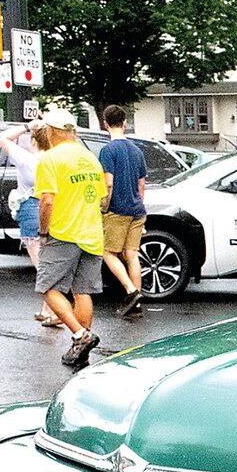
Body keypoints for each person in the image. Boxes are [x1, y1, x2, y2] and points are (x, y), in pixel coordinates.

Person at [35, 109, 107, 367]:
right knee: (82, 290)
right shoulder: (90, 158)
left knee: (48, 288)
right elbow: (102, 198)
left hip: (64, 232)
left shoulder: (50, 159)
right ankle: (80, 347)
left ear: (52, 131)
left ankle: (80, 335)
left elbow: (47, 200)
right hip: (92, 233)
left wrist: (43, 231)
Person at [0, 119, 58, 325]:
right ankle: (47, 307)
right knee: (48, 261)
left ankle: (55, 309)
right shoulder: (55, 159)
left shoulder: (26, 158)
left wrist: (27, 126)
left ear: (34, 141)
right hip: (53, 208)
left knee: (40, 265)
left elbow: (2, 138)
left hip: (31, 206)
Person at [97, 104, 148, 317]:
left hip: (117, 209)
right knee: (132, 254)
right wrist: (139, 203)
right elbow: (141, 184)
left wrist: (104, 206)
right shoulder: (136, 151)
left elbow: (108, 182)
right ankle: (135, 303)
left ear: (105, 123)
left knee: (107, 252)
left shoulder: (107, 151)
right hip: (137, 209)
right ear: (125, 123)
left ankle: (131, 291)